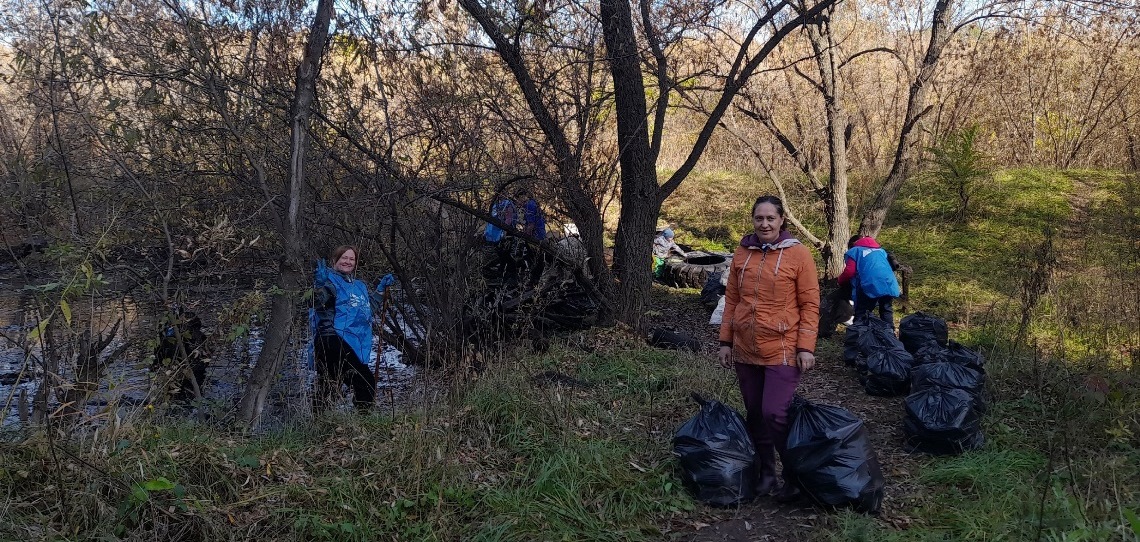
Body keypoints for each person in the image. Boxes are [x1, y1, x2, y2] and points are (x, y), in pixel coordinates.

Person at [717, 195, 819, 502]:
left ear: (781, 220)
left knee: (774, 412)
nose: (764, 224)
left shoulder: (799, 255)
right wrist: (725, 341)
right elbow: (732, 300)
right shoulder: (742, 253)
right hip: (746, 347)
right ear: (753, 220)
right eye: (759, 218)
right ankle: (765, 472)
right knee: (755, 414)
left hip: (783, 347)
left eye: (770, 218)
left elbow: (810, 304)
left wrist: (806, 347)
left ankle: (794, 474)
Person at [312, 245, 378, 412]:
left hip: (350, 340)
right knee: (365, 381)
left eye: (352, 259)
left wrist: (380, 292)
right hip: (331, 339)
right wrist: (318, 288)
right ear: (335, 260)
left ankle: (320, 424)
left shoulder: (358, 285)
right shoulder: (329, 281)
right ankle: (365, 420)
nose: (348, 262)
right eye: (344, 258)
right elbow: (317, 302)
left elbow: (364, 311)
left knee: (329, 384)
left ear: (355, 263)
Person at [837, 235, 901, 328]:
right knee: (886, 310)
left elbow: (849, 272)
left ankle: (858, 336)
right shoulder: (881, 251)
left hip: (870, 285)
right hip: (889, 284)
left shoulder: (854, 251)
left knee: (862, 312)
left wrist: (840, 281)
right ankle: (890, 335)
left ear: (852, 244)